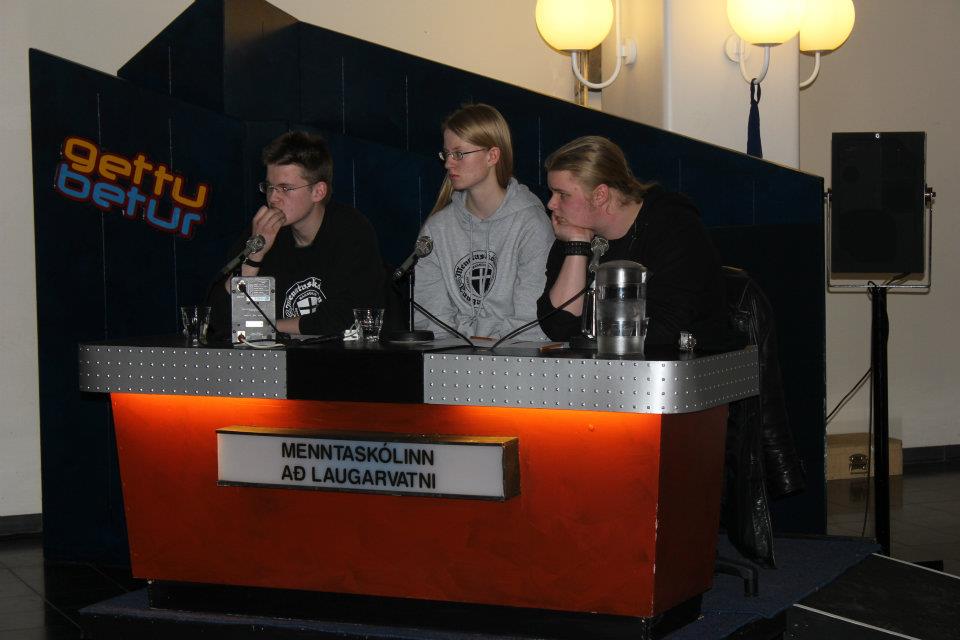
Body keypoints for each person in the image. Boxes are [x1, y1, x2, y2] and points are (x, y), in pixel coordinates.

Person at [537, 136, 735, 350]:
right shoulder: (575, 232)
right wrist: (577, 246)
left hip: (683, 364)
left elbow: (664, 330)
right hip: (609, 365)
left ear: (600, 195)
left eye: (562, 194)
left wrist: (589, 332)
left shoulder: (674, 227)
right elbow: (557, 326)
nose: (551, 204)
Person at [213, 130, 384, 338]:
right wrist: (254, 257)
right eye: (269, 187)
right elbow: (220, 320)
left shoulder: (350, 230)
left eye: (285, 188)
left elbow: (346, 319)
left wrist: (266, 327)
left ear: (318, 192)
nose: (273, 198)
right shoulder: (264, 231)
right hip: (280, 355)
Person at [414, 104, 553, 340]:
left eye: (459, 154)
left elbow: (530, 321)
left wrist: (483, 346)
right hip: (452, 354)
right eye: (446, 154)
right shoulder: (436, 229)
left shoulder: (532, 225)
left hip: (514, 355)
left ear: (492, 156)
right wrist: (464, 347)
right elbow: (430, 319)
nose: (448, 163)